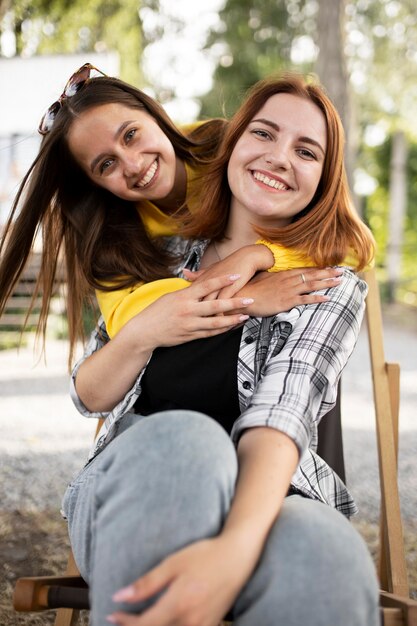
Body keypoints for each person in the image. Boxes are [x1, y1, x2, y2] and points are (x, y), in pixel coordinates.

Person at [61, 73, 379, 626]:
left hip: (271, 501)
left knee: (327, 549)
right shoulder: (150, 254)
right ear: (230, 147)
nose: (280, 157)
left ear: (324, 180)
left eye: (306, 150)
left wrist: (234, 550)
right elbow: (88, 393)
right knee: (191, 442)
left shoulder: (328, 285)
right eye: (263, 133)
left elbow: (284, 412)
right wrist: (156, 324)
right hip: (143, 486)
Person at [0, 63, 341, 362]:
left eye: (131, 135)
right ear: (95, 184)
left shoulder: (226, 147)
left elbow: (348, 242)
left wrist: (259, 255)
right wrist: (241, 295)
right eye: (106, 165)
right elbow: (127, 320)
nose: (133, 165)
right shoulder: (112, 236)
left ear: (153, 111)